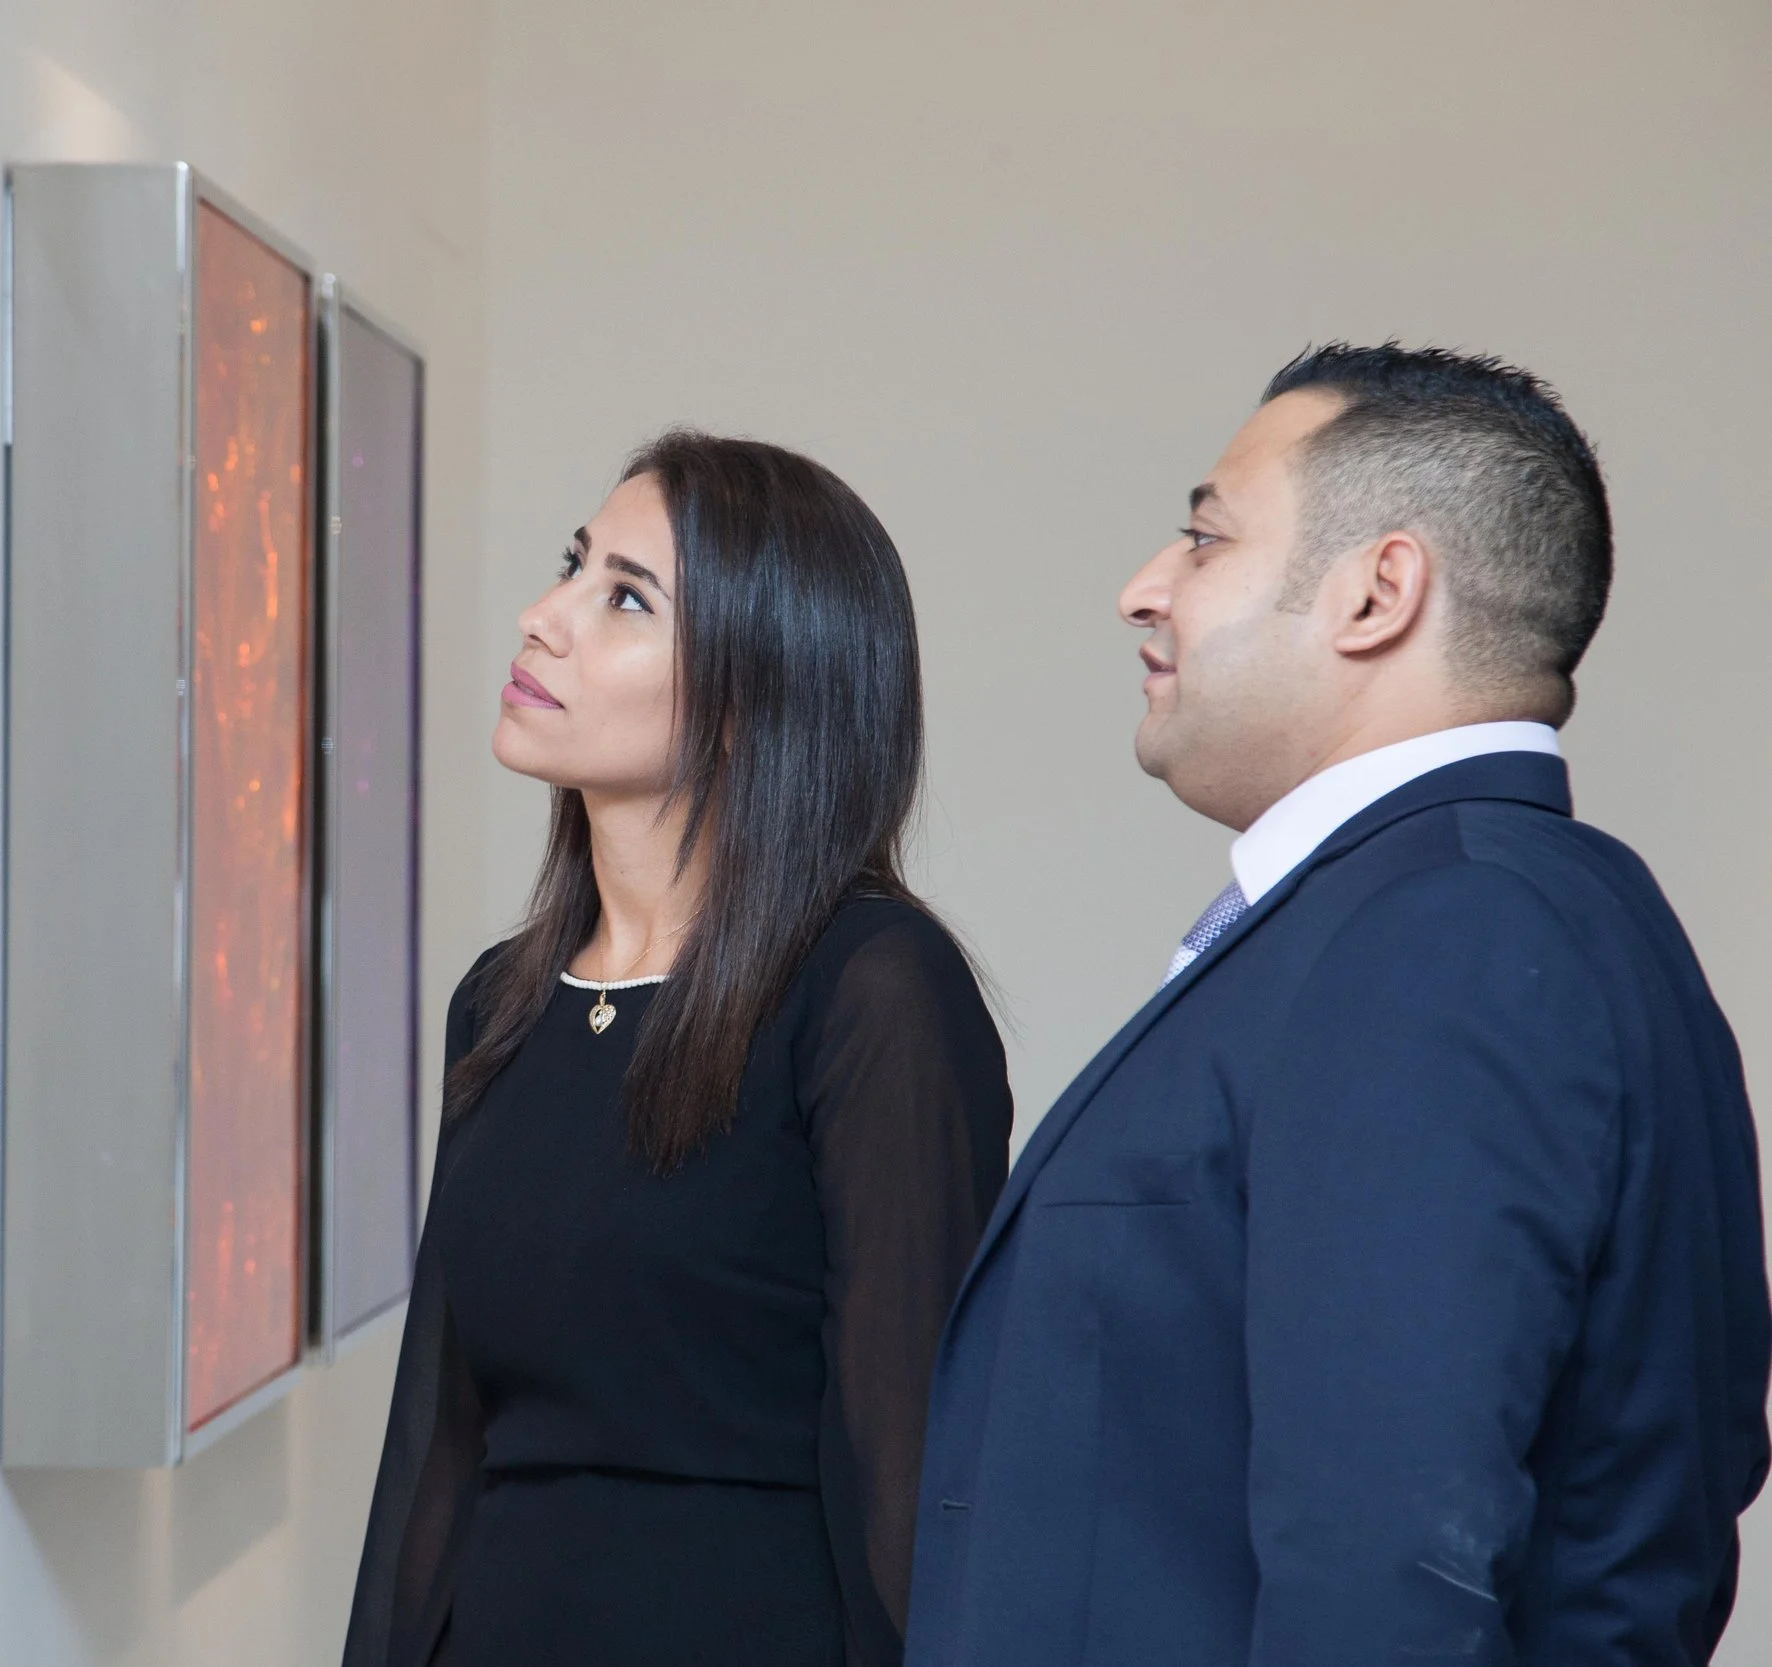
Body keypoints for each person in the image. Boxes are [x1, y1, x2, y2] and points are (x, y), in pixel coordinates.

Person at [904, 343, 1772, 1666]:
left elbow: (1388, 1566)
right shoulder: (1511, 909)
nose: (1143, 587)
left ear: (1379, 590)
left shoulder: (1446, 937)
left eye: (1203, 536)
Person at [344, 431, 1013, 1667]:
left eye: (625, 598)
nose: (544, 618)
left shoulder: (873, 990)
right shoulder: (499, 1000)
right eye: (573, 566)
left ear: (753, 698)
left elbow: (911, 1477)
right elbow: (435, 1449)